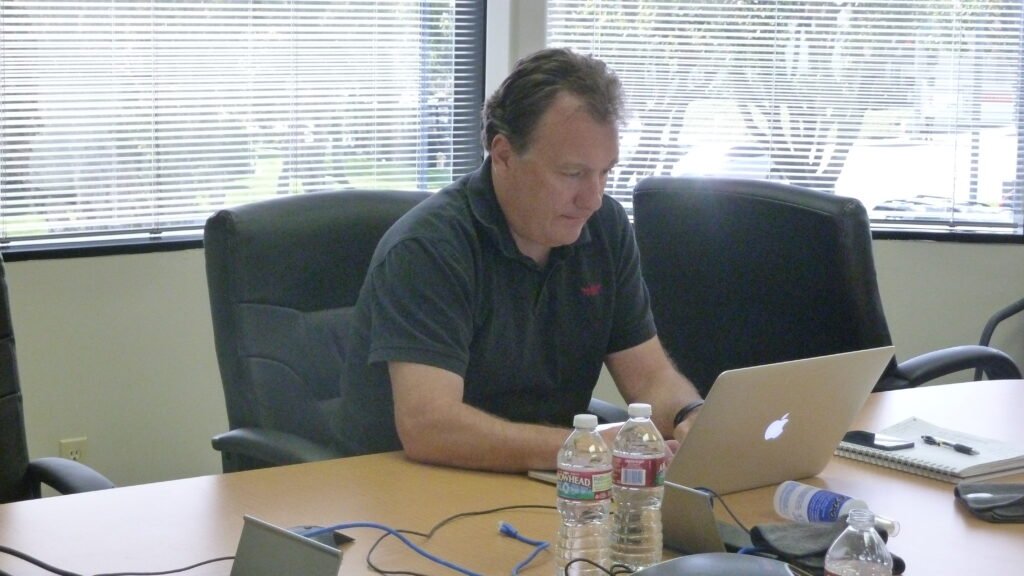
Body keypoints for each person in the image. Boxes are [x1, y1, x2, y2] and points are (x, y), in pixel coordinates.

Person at [337, 47, 703, 472]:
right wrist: (588, 445)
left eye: (605, 172)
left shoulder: (605, 228)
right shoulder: (430, 248)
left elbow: (650, 378)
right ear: (504, 154)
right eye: (572, 174)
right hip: (408, 490)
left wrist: (688, 416)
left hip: (546, 487)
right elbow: (430, 426)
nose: (593, 198)